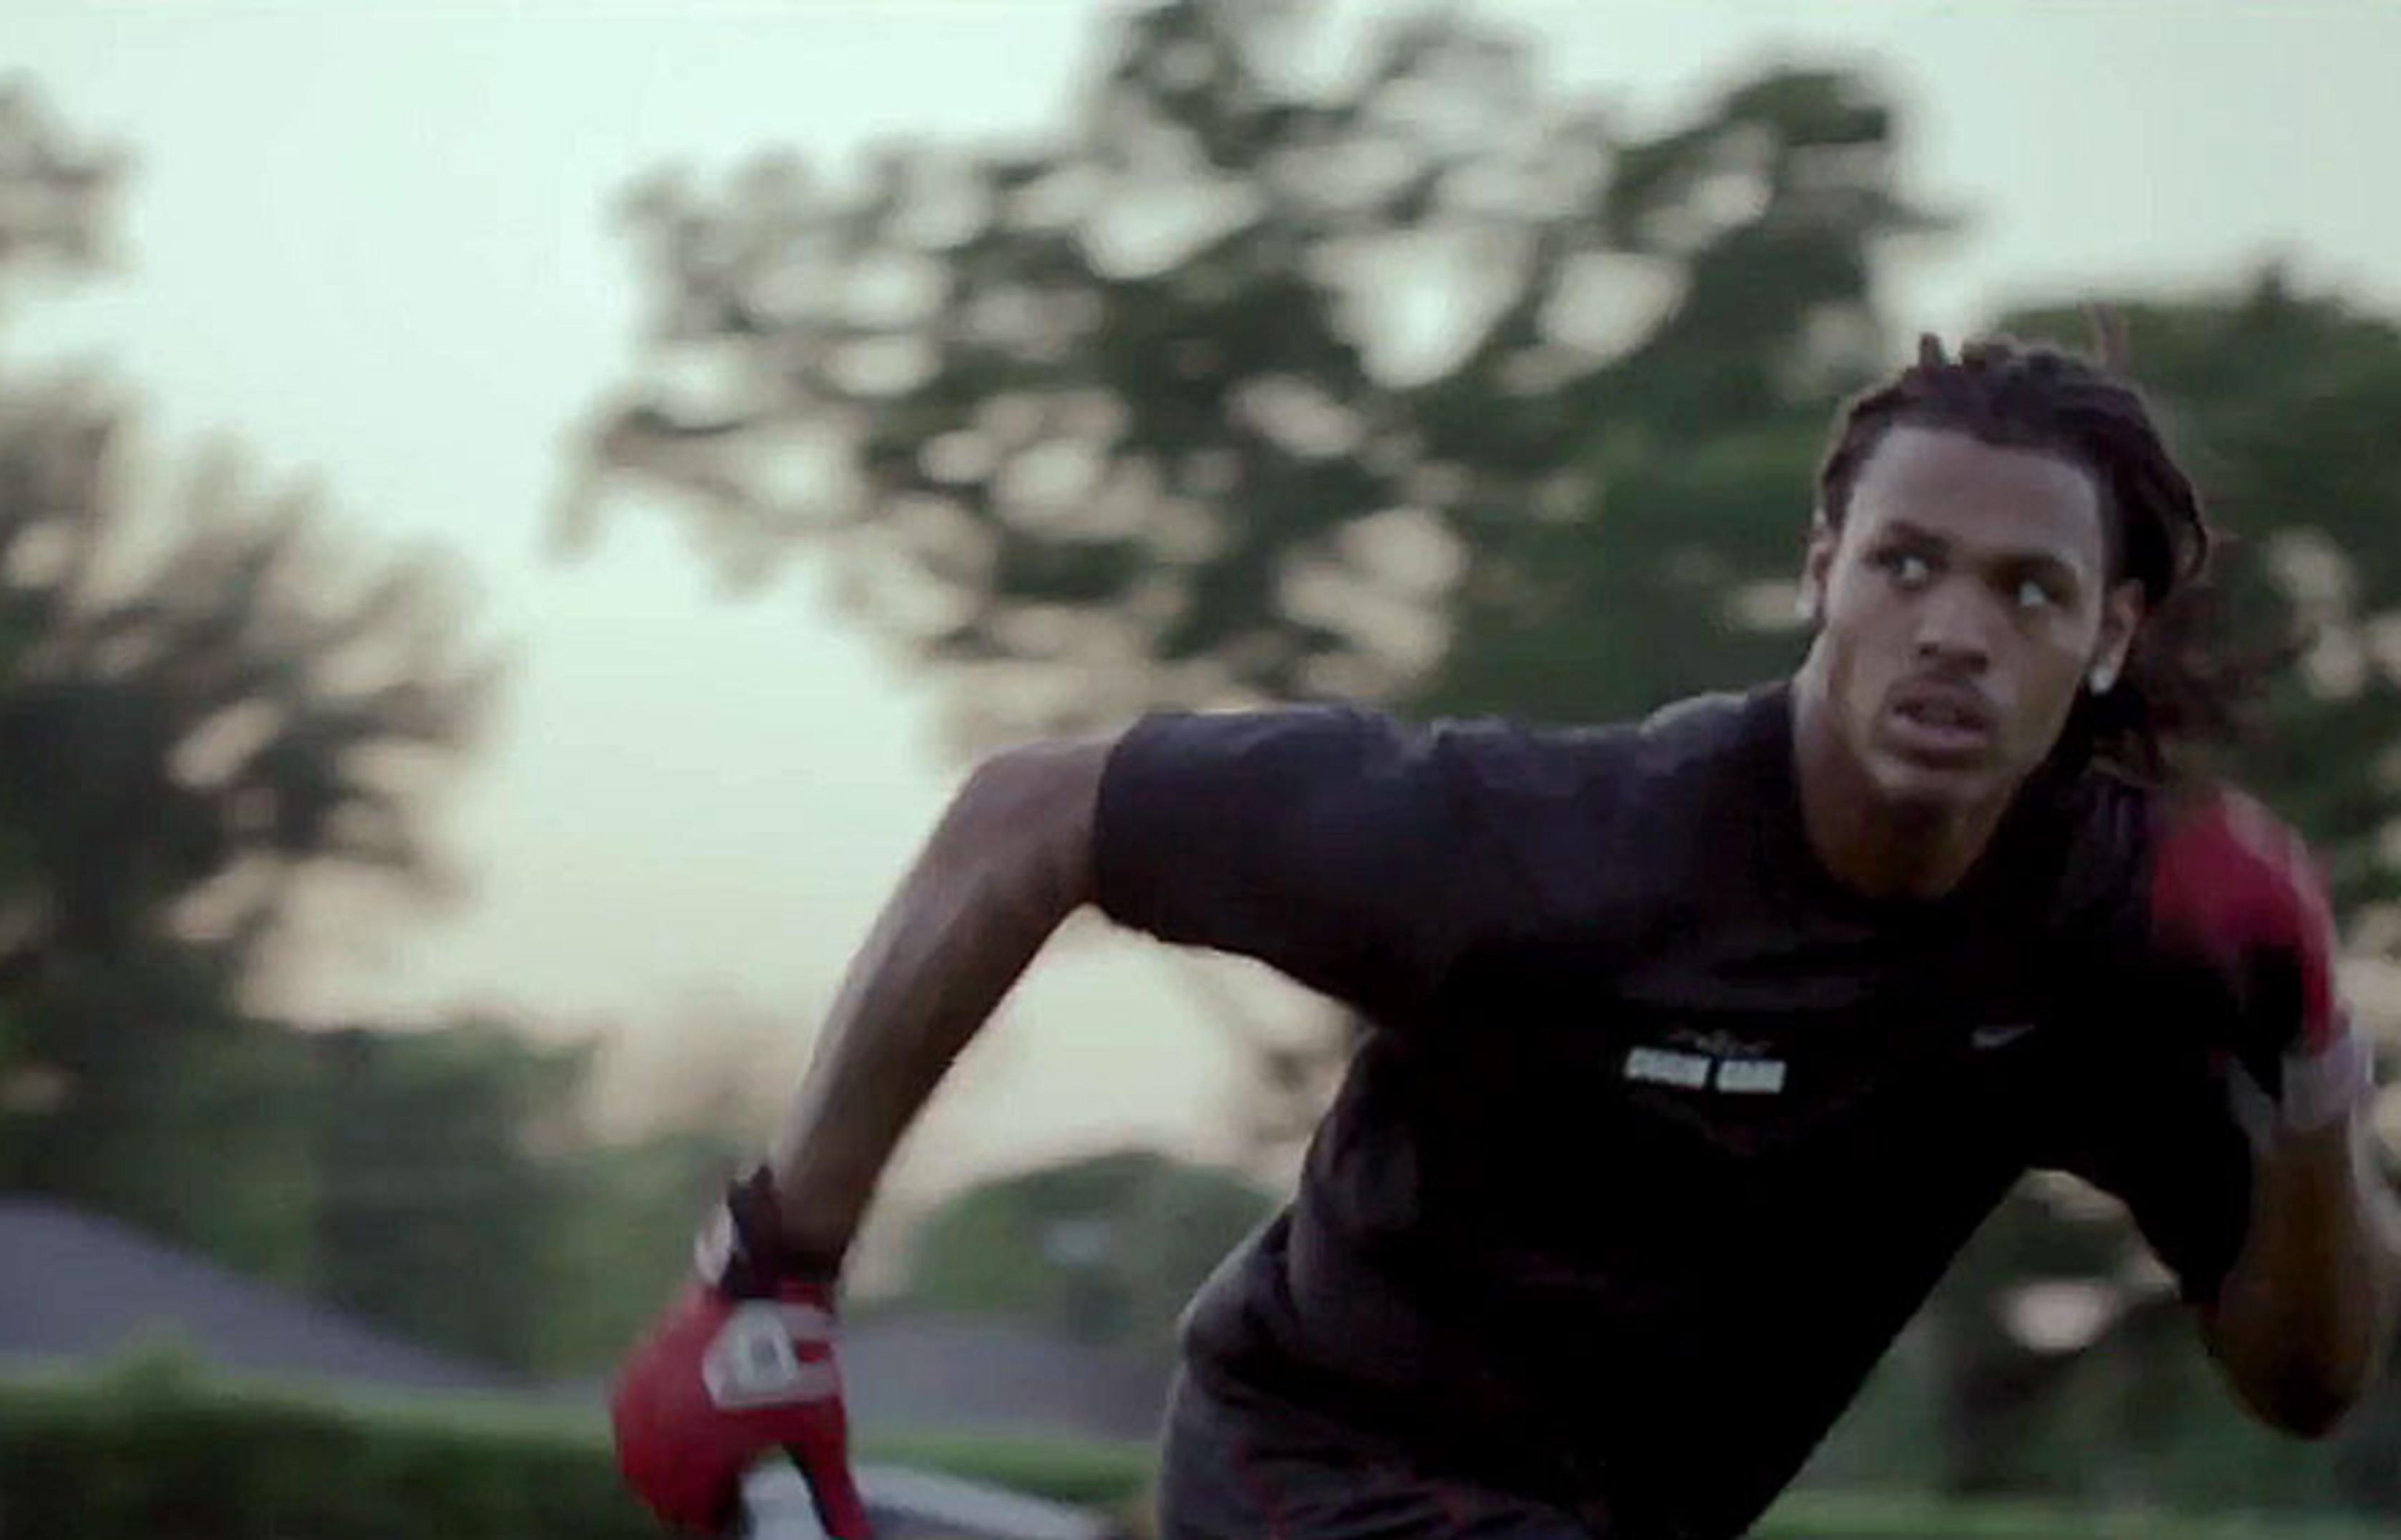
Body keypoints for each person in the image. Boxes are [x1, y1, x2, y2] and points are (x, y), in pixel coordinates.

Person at [606, 335, 2401, 1539]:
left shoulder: (2099, 934)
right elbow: (1030, 813)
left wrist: (2312, 1078)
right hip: (1313, 1464)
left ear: (2107, 634)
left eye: (2029, 591)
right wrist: (771, 1260)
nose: (1955, 630)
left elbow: (2307, 1377)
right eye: (1907, 563)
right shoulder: (1556, 846)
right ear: (1820, 570)